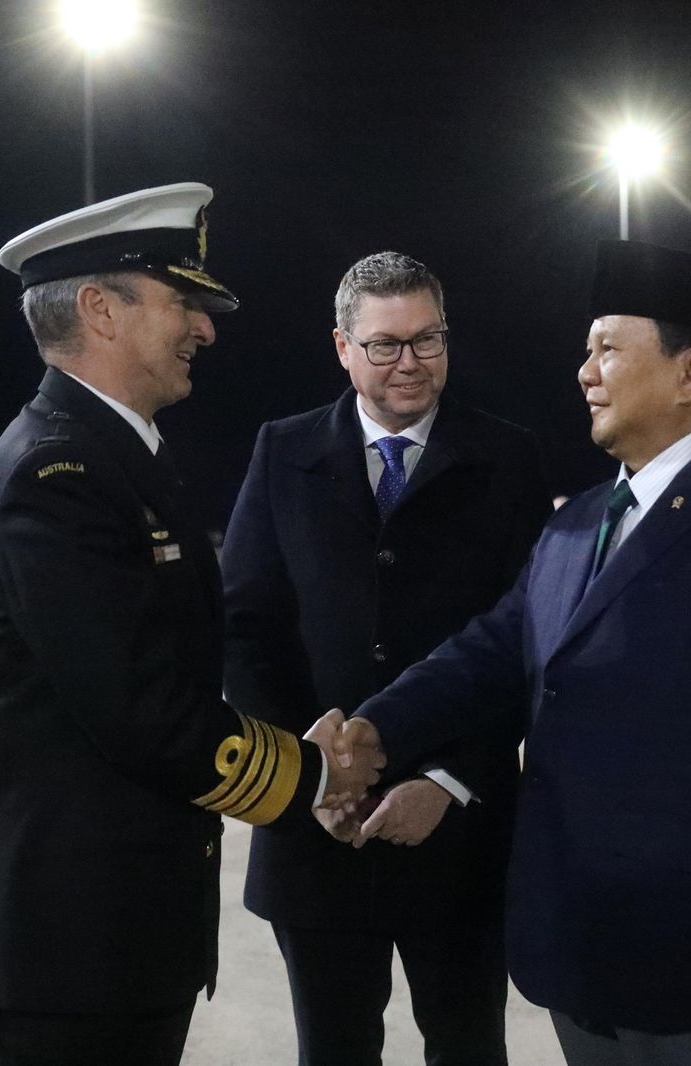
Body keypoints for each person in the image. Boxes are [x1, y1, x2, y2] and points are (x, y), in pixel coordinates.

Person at [337, 239, 691, 1066]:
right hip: (583, 957)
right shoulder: (581, 519)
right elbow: (491, 651)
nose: (584, 372)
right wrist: (376, 730)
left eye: (608, 350)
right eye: (586, 351)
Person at [0, 183, 381, 1066]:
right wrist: (316, 772)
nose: (205, 330)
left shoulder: (113, 458)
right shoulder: (54, 478)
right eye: (183, 302)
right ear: (100, 310)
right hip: (58, 957)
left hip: (109, 940)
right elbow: (145, 713)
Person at [221, 251, 551, 1065]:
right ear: (343, 347)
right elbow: (247, 628)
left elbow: (527, 645)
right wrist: (311, 772)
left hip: (459, 831)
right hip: (319, 833)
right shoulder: (283, 452)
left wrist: (446, 780)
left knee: (470, 1048)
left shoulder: (508, 459)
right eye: (385, 344)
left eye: (427, 339)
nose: (410, 362)